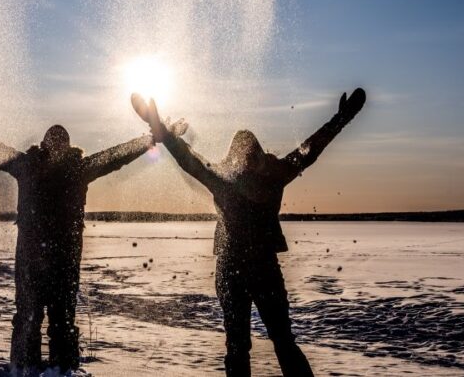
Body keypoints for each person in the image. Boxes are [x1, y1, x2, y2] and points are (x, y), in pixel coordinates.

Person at [0, 104, 186, 375]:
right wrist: (152, 139)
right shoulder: (55, 167)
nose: (58, 146)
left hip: (48, 261)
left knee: (41, 320)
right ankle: (42, 369)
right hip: (48, 261)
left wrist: (152, 139)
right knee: (44, 321)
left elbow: (115, 155)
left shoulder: (40, 166)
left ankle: (40, 369)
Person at [132, 89, 366, 377]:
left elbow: (188, 159)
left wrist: (162, 131)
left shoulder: (228, 178)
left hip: (237, 268)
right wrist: (340, 120)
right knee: (273, 342)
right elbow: (309, 151)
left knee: (249, 345)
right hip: (255, 268)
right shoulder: (269, 175)